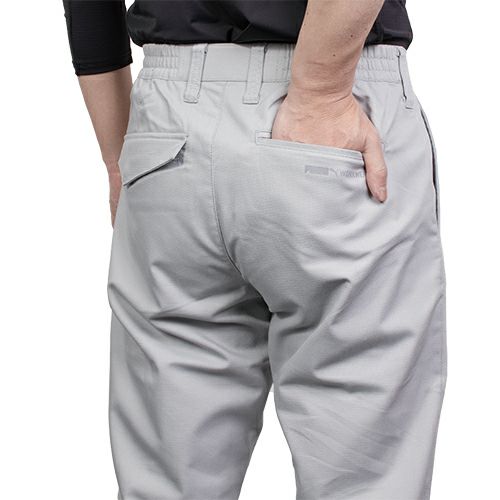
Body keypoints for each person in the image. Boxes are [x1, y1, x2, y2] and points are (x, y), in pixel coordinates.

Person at [63, 1, 447, 499]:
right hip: (333, 98)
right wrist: (321, 92)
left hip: (166, 127)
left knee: (165, 483)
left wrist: (120, 156)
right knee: (364, 476)